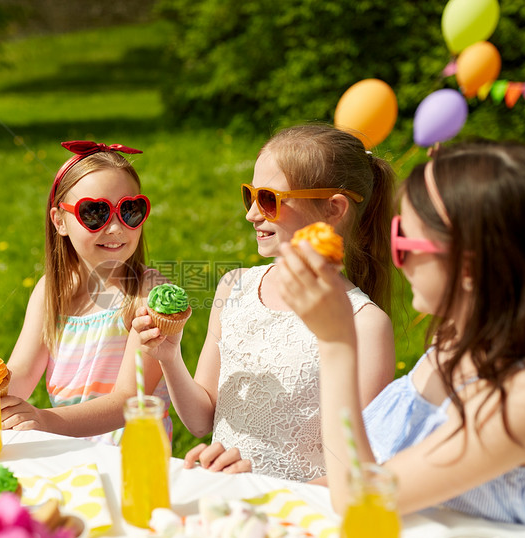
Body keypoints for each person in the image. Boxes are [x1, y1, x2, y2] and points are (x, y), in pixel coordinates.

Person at [277, 140, 525, 529]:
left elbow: (361, 497)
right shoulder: (453, 343)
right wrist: (256, 491)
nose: (396, 257)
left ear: (468, 266)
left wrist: (336, 343)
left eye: (402, 242)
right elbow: (381, 469)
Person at [134, 124, 396, 480]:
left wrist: (261, 488)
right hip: (226, 503)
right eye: (250, 196)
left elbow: (356, 473)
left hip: (295, 517)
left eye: (269, 199)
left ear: (334, 209)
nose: (252, 214)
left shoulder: (365, 324)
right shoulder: (235, 288)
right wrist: (169, 355)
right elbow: (201, 421)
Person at [0, 141, 171, 444]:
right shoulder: (50, 293)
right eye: (95, 212)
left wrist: (43, 420)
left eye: (130, 210)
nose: (117, 228)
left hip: (132, 460)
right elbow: (21, 376)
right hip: (70, 457)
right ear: (59, 221)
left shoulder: (150, 294)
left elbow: (128, 401)